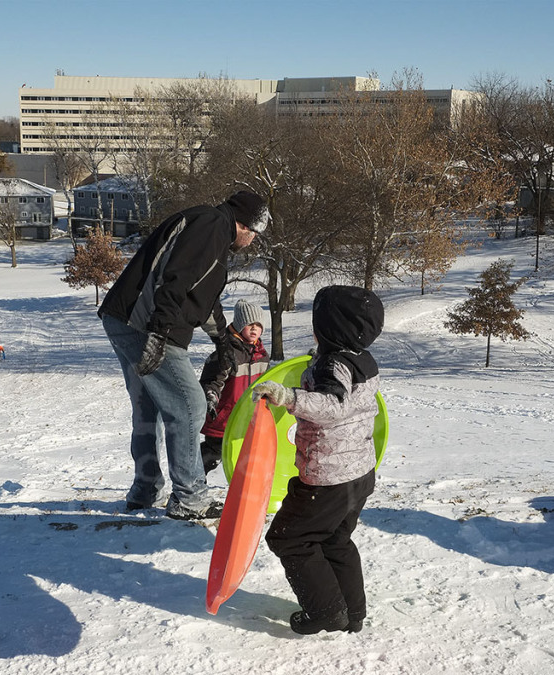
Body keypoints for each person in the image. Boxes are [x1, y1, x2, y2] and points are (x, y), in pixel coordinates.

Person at [98, 190, 269, 520]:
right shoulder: (213, 225)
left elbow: (200, 297)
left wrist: (223, 340)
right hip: (143, 324)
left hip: (124, 318)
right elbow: (174, 278)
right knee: (189, 405)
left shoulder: (209, 228)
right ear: (247, 227)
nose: (252, 243)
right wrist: (159, 335)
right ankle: (191, 497)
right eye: (256, 236)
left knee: (148, 406)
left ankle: (145, 488)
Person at [253, 285, 384, 634]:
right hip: (359, 474)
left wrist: (287, 397)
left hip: (328, 477)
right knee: (334, 539)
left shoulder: (334, 364)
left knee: (289, 538)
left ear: (331, 328)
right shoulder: (362, 360)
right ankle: (352, 612)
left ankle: (326, 611)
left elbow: (334, 404)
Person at [199, 299, 270, 474]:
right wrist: (211, 395)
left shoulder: (262, 355)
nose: (254, 329)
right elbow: (212, 381)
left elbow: (267, 381)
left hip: (246, 419)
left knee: (245, 456)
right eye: (249, 324)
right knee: (213, 454)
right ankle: (192, 484)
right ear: (239, 325)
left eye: (258, 325)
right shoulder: (226, 353)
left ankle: (244, 489)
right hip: (222, 418)